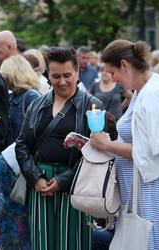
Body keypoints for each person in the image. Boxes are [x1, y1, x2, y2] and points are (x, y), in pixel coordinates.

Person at [90, 40, 159, 250]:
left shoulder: (154, 94)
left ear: (125, 65)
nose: (112, 78)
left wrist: (106, 145)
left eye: (111, 71)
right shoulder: (144, 90)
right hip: (149, 192)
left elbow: (147, 151)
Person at [15, 47, 104, 250]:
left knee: (72, 244)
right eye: (56, 76)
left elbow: (98, 153)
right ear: (48, 75)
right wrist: (35, 177)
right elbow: (22, 144)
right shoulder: (37, 105)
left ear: (77, 72)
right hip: (41, 181)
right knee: (42, 244)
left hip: (77, 184)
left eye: (67, 75)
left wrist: (64, 180)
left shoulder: (93, 106)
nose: (62, 81)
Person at [0, 54, 41, 250]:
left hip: (19, 166)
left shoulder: (31, 97)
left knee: (19, 219)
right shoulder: (14, 97)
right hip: (10, 164)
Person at [0, 54, 41, 144]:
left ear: (13, 75)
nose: (3, 79)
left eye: (5, 75)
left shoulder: (31, 97)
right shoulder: (12, 96)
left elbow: (39, 132)